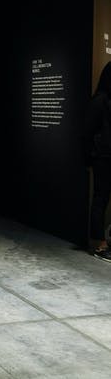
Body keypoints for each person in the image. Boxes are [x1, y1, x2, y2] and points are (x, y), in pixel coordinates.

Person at [82, 60, 111, 262]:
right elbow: (87, 133)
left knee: (102, 198)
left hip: (107, 156)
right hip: (103, 158)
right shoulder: (99, 101)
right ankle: (100, 244)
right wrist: (88, 159)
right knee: (101, 199)